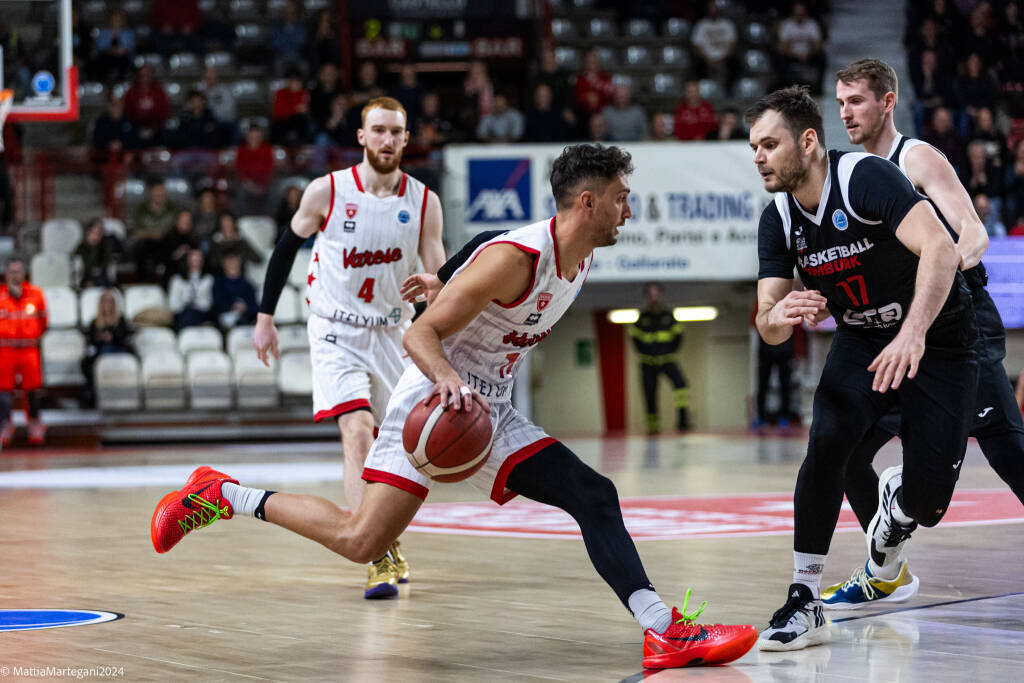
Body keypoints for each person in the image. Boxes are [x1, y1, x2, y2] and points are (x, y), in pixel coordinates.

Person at [151, 143, 758, 668]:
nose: (631, 208)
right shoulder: (518, 259)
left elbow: (481, 244)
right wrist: (446, 377)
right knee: (362, 541)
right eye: (623, 197)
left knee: (594, 494)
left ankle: (662, 631)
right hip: (437, 406)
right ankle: (221, 494)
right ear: (588, 203)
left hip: (492, 411)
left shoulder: (580, 255)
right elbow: (419, 336)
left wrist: (444, 275)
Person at [749, 85, 979, 650]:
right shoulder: (778, 218)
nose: (758, 156)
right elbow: (767, 322)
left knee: (928, 505)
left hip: (939, 340)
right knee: (827, 441)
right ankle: (805, 599)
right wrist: (778, 315)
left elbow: (942, 250)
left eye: (769, 144)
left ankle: (903, 500)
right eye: (753, 146)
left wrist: (913, 333)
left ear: (808, 142)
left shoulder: (864, 179)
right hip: (863, 338)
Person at [825, 59, 1024, 607]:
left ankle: (894, 527)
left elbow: (975, 236)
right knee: (844, 451)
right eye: (840, 103)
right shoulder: (850, 177)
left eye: (856, 101)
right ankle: (884, 569)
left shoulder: (914, 158)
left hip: (961, 326)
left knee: (1008, 450)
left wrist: (930, 291)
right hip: (900, 333)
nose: (846, 113)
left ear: (887, 102)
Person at [245, 96, 446, 599]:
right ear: (360, 137)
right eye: (377, 130)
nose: (387, 140)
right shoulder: (328, 191)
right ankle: (376, 552)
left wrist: (439, 309)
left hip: (394, 333)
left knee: (396, 448)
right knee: (356, 432)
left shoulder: (423, 201)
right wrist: (265, 317)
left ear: (406, 138)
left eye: (396, 132)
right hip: (335, 329)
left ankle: (384, 536)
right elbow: (286, 247)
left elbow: (438, 279)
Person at [629, 283, 691, 433]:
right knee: (649, 394)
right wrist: (646, 354)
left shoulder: (669, 316)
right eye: (650, 295)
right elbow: (635, 340)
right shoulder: (641, 318)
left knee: (681, 384)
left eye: (656, 295)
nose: (654, 298)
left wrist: (668, 352)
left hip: (668, 360)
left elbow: (678, 338)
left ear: (661, 296)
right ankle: (653, 427)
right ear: (646, 298)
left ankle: (683, 421)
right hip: (647, 363)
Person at [0, 258, 48, 447]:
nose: (14, 275)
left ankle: (35, 423)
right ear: (6, 274)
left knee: (33, 389)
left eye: (18, 271)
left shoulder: (36, 294)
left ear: (24, 273)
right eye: (11, 272)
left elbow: (43, 322)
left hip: (29, 349)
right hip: (5, 349)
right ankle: (4, 423)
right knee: (3, 390)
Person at [80, 288, 133, 408]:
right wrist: (100, 338)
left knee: (107, 350)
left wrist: (112, 337)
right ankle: (92, 393)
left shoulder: (121, 320)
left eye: (109, 301)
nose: (106, 304)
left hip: (118, 350)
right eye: (104, 301)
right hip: (101, 350)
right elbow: (92, 340)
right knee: (87, 361)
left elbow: (124, 337)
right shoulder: (95, 322)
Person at [168, 249, 213, 330]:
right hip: (182, 315)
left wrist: (195, 305)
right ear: (187, 261)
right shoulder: (177, 280)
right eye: (193, 260)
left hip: (202, 314)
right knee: (188, 314)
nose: (196, 264)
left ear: (203, 262)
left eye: (199, 260)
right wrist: (187, 304)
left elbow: (208, 304)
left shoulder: (208, 279)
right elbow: (173, 305)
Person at [212, 251, 258, 329]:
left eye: (235, 260)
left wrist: (244, 307)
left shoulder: (248, 285)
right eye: (229, 261)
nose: (233, 264)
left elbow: (255, 307)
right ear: (223, 263)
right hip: (225, 324)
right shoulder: (218, 284)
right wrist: (233, 305)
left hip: (247, 321)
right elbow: (217, 305)